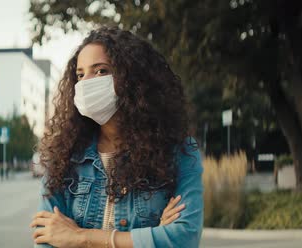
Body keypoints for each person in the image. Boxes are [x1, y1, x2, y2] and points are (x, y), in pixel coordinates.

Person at [30, 27, 203, 248]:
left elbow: (184, 238)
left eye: (101, 71)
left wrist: (81, 237)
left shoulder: (179, 152)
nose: (86, 83)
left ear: (132, 79)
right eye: (80, 75)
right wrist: (153, 236)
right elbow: (47, 241)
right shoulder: (64, 157)